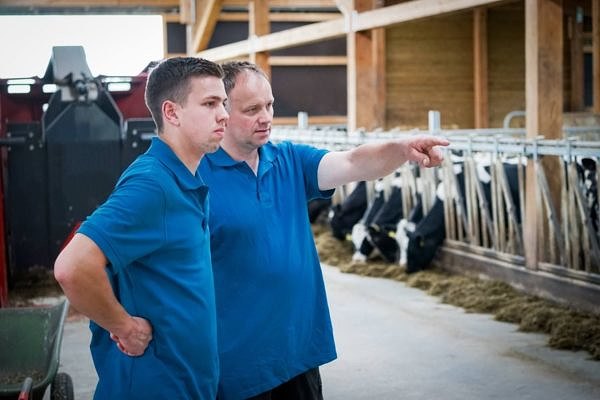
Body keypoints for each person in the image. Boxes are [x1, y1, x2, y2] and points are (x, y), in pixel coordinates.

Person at [199, 61, 449, 400]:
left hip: (297, 352)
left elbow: (352, 162)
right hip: (238, 362)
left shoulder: (287, 160)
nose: (266, 116)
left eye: (270, 105)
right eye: (252, 109)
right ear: (223, 112)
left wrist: (402, 149)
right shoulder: (197, 176)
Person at [54, 57, 229, 400]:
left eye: (223, 102)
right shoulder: (153, 185)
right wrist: (124, 327)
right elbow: (72, 267)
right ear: (172, 113)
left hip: (185, 383)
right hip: (153, 387)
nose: (224, 113)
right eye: (210, 103)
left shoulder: (185, 179)